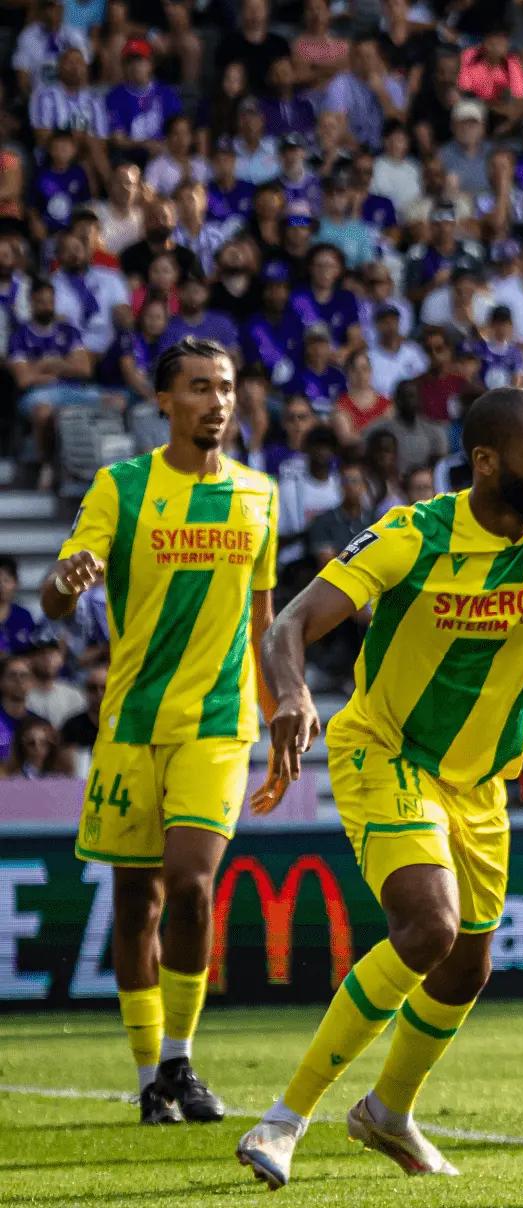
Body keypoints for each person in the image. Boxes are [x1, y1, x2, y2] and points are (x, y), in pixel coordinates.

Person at [235, 388, 523, 1189]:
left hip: (480, 781)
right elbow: (288, 626)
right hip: (388, 753)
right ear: (486, 463)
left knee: (465, 970)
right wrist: (292, 697)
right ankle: (284, 1119)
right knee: (428, 928)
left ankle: (387, 1111)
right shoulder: (415, 535)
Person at [41, 339, 275, 1126]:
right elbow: (57, 587)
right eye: (200, 388)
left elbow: (265, 621)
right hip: (132, 722)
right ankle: (150, 1077)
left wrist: (284, 711)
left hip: (217, 724)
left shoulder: (261, 496)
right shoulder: (123, 487)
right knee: (136, 901)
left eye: (227, 388)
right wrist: (66, 583)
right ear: (165, 403)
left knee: (192, 885)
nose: (217, 401)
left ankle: (180, 1060)